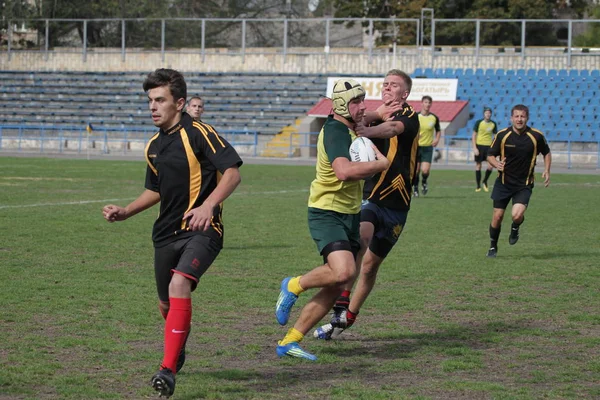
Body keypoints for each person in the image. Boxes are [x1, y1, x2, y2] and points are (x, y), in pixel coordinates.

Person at [102, 69, 242, 397]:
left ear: (179, 103)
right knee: (166, 303)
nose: (153, 106)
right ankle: (176, 347)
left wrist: (208, 207)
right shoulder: (153, 146)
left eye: (160, 100)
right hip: (164, 234)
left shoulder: (200, 133)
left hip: (203, 230)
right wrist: (126, 211)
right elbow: (155, 191)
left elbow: (232, 173)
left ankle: (167, 370)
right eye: (150, 100)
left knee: (180, 284)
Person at [274, 79, 390, 361]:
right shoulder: (336, 130)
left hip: (349, 213)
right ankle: (293, 284)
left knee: (339, 283)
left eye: (363, 101)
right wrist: (379, 164)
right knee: (343, 273)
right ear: (340, 105)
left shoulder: (349, 130)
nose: (362, 107)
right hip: (327, 212)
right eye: (356, 102)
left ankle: (290, 340)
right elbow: (343, 171)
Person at [313, 69, 420, 340]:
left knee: (371, 266)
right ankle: (340, 304)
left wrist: (367, 129)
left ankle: (348, 317)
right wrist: (368, 120)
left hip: (398, 202)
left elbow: (392, 128)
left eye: (393, 85)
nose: (387, 88)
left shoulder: (409, 116)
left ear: (404, 93)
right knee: (361, 238)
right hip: (372, 195)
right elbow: (358, 117)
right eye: (384, 84)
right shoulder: (373, 113)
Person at [485, 104, 551, 258]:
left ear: (527, 118)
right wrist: (497, 164)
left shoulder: (536, 136)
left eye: (522, 116)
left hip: (524, 185)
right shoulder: (502, 135)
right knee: (497, 217)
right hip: (503, 183)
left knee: (516, 215)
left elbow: (546, 153)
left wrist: (547, 170)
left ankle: (515, 227)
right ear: (511, 118)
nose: (519, 119)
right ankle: (493, 246)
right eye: (516, 116)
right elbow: (490, 155)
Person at [413, 95, 441, 197]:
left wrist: (437, 139)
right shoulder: (416, 116)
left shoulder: (434, 118)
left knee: (425, 170)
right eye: (425, 102)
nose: (427, 104)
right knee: (416, 170)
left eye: (429, 103)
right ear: (422, 103)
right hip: (416, 147)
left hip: (427, 148)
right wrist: (415, 135)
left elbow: (438, 130)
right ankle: (415, 188)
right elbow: (410, 130)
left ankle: (424, 182)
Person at [472, 107, 498, 192]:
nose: (488, 114)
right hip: (479, 146)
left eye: (489, 113)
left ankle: (485, 181)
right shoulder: (479, 123)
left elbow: (496, 136)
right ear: (484, 114)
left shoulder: (493, 124)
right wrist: (475, 148)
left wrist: (495, 147)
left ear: (491, 114)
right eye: (486, 113)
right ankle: (478, 185)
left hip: (489, 147)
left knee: (490, 166)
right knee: (478, 166)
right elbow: (474, 135)